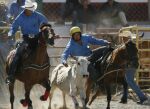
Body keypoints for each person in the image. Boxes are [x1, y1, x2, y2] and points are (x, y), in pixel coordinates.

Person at [5, 0, 50, 85]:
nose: (30, 11)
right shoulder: (20, 17)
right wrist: (10, 34)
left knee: (45, 54)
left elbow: (46, 22)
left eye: (31, 9)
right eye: (28, 9)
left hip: (37, 38)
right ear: (25, 9)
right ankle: (11, 76)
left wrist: (44, 28)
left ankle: (46, 76)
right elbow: (14, 27)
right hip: (26, 39)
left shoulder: (37, 15)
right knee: (17, 54)